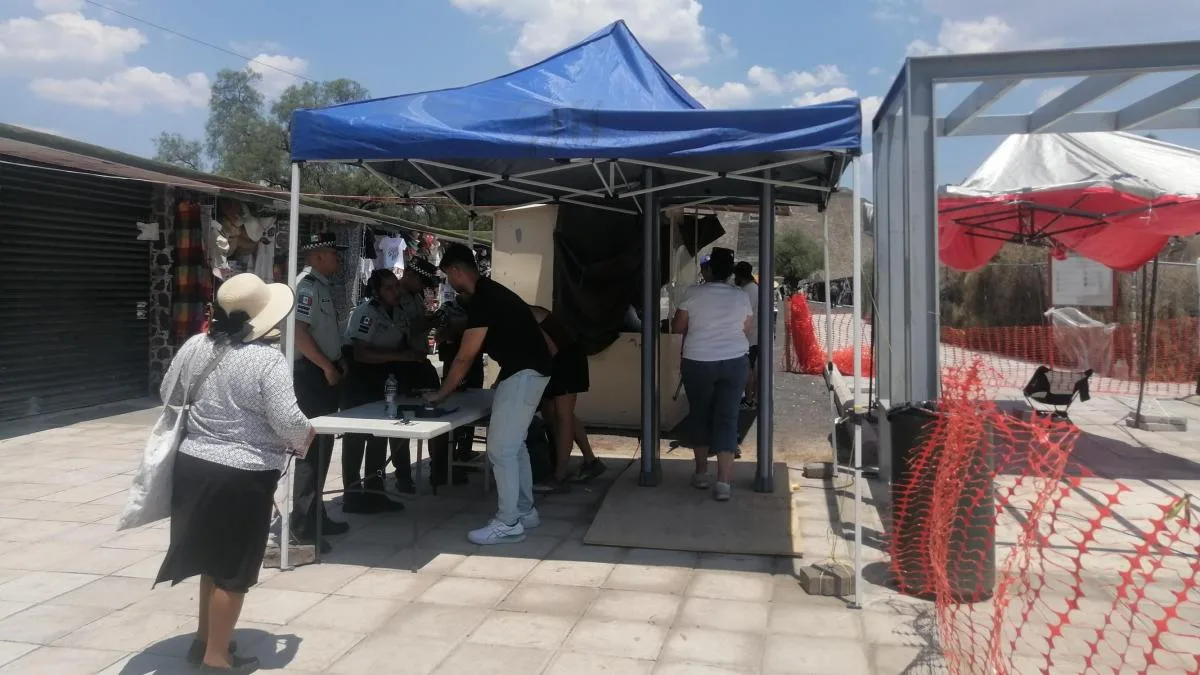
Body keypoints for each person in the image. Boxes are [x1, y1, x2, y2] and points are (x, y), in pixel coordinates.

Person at [156, 273, 313, 674]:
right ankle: (217, 659)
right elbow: (288, 418)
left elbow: (167, 393)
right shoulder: (266, 360)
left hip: (193, 465)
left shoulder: (195, 347)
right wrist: (303, 437)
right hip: (241, 475)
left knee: (211, 560)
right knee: (234, 571)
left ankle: (203, 641)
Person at [426, 243, 552, 545]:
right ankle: (524, 510)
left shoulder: (482, 299)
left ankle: (508, 522)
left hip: (523, 371)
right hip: (530, 370)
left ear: (456, 270)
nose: (449, 283)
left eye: (447, 276)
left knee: (501, 450)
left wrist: (440, 394)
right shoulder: (492, 292)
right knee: (515, 445)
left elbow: (465, 356)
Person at [671, 247, 753, 502]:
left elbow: (678, 326)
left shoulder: (693, 293)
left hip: (698, 361)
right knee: (728, 418)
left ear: (706, 270)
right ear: (730, 272)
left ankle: (701, 473)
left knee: (700, 415)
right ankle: (724, 483)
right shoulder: (740, 296)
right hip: (734, 360)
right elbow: (746, 327)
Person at [340, 269, 417, 512]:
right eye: (388, 288)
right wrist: (400, 355)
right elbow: (361, 352)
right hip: (359, 379)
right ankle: (351, 496)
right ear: (376, 291)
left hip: (384, 379)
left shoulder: (400, 312)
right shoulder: (366, 313)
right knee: (355, 438)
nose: (395, 292)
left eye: (396, 286)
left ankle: (375, 491)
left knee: (379, 436)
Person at [290, 232, 349, 548]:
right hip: (311, 376)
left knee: (323, 447)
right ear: (318, 256)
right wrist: (326, 366)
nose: (337, 259)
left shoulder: (321, 286)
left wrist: (337, 362)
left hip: (324, 371)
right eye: (333, 253)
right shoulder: (306, 287)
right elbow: (298, 333)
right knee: (311, 449)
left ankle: (316, 515)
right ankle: (301, 525)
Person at [390, 257, 455, 489]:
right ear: (410, 275)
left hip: (420, 361)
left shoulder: (415, 296)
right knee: (400, 422)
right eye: (422, 282)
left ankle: (439, 471)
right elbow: (405, 329)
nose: (424, 288)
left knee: (437, 413)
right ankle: (404, 476)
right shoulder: (395, 297)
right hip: (403, 364)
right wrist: (429, 320)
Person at [529, 305, 604, 494]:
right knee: (552, 414)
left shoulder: (519, 314)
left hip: (566, 359)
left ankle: (559, 477)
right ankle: (590, 461)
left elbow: (551, 348)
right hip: (556, 359)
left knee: (563, 415)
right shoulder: (514, 310)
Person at [733, 261, 761, 406]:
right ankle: (753, 398)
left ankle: (749, 399)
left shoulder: (746, 292)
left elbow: (742, 315)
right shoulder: (755, 288)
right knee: (753, 367)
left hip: (749, 336)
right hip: (755, 335)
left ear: (740, 276)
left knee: (748, 368)